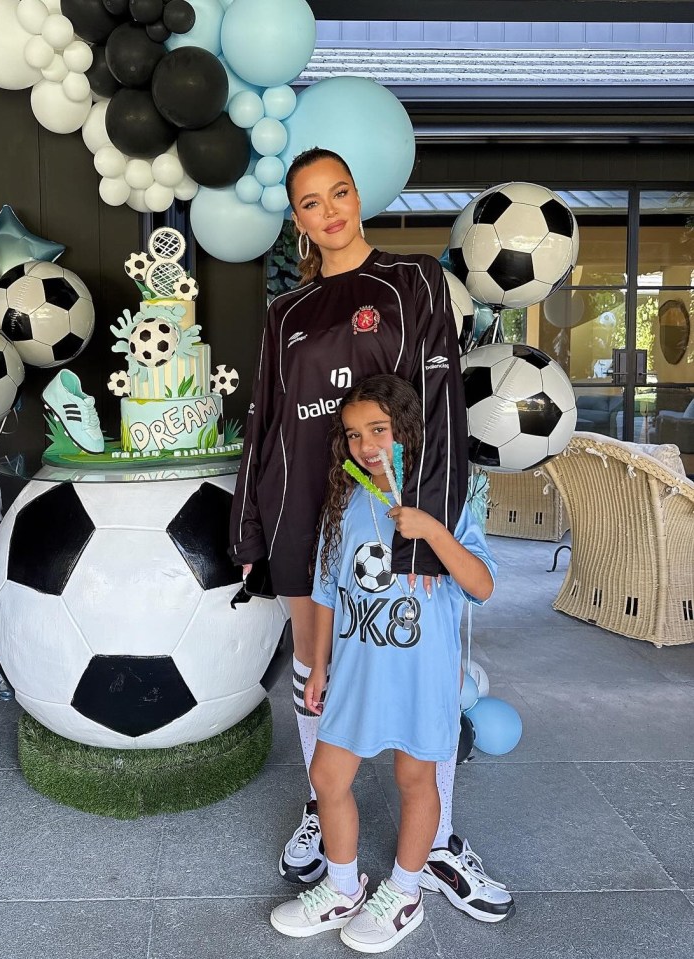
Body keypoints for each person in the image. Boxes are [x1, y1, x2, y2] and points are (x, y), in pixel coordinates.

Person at [229, 147, 513, 918]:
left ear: (359, 196)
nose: (331, 211)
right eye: (312, 202)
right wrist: (250, 529)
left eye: (340, 193)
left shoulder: (412, 280)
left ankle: (438, 835)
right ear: (298, 219)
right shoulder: (285, 313)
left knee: (419, 655)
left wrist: (421, 536)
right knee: (319, 659)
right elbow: (266, 423)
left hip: (395, 511)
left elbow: (443, 406)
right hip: (304, 510)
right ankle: (327, 810)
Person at [270, 374, 504, 952]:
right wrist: (319, 666)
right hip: (356, 672)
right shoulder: (346, 500)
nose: (366, 444)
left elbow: (482, 585)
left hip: (420, 679)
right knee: (327, 776)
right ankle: (343, 887)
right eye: (353, 434)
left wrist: (431, 531)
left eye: (379, 429)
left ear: (407, 430)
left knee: (415, 779)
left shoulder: (449, 497)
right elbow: (326, 590)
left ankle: (404, 892)